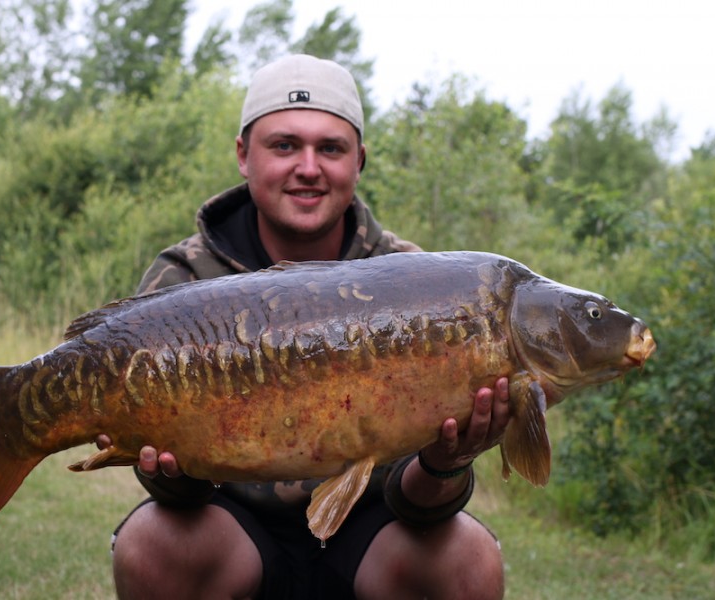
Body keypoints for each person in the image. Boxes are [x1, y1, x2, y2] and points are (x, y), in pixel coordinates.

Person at [106, 54, 510, 600]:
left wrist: (447, 462)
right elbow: (173, 491)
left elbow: (417, 504)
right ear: (244, 155)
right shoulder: (185, 278)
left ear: (359, 161)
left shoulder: (418, 280)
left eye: (331, 148)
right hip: (231, 522)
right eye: (284, 145)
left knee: (469, 560)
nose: (309, 167)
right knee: (150, 543)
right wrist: (169, 467)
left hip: (374, 528)